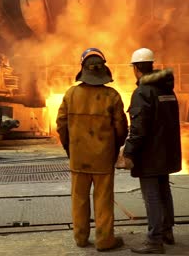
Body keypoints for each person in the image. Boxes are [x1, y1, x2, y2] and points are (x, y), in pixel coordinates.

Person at [56, 48, 128, 252]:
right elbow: (121, 127)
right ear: (103, 70)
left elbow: (61, 124)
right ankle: (104, 241)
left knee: (78, 199)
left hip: (78, 157)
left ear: (83, 70)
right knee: (103, 200)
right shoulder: (112, 96)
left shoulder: (71, 94)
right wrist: (114, 148)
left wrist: (69, 147)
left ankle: (80, 237)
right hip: (103, 159)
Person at [123, 48, 182, 254]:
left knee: (152, 196)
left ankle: (154, 241)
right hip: (166, 152)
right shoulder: (167, 89)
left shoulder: (142, 92)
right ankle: (167, 232)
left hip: (150, 154)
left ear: (137, 68)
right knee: (164, 191)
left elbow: (138, 128)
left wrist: (129, 152)